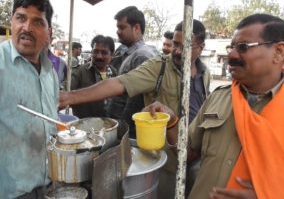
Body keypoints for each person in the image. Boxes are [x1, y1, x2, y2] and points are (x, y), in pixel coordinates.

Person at [143, 14, 284, 199]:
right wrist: (171, 122)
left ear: (279, 52)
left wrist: (271, 195)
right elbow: (187, 153)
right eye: (231, 47)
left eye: (243, 47)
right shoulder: (219, 98)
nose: (231, 55)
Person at [59, 19, 211, 199]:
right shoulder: (159, 66)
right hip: (168, 164)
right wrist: (71, 97)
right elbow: (118, 83)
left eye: (185, 46)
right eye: (176, 44)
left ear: (200, 48)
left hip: (196, 158)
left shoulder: (205, 73)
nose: (177, 51)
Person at [0, 0, 58, 198]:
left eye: (37, 22)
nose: (27, 28)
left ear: (48, 32)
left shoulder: (51, 73)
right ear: (12, 21)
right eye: (21, 18)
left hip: (49, 186)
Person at [105, 6, 158, 137]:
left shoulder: (141, 56)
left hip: (127, 131)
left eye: (122, 27)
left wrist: (123, 131)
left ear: (136, 28)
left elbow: (135, 101)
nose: (118, 32)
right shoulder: (130, 53)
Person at [71, 35, 117, 118]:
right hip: (85, 126)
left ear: (112, 55)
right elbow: (66, 88)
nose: (99, 56)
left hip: (109, 125)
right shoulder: (80, 72)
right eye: (96, 51)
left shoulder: (115, 73)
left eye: (104, 52)